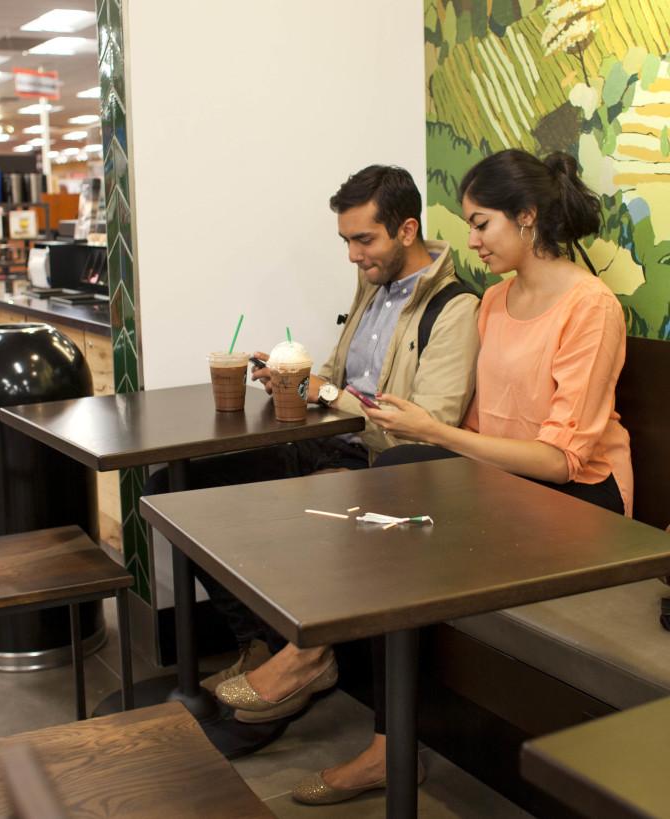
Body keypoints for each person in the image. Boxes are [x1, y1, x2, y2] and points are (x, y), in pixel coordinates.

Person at [218, 149, 633, 805]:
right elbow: (480, 423)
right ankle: (331, 678)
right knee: (389, 486)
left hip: (577, 499)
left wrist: (434, 433)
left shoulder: (591, 307)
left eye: (481, 224)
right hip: (503, 479)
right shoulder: (497, 301)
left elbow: (561, 458)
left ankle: (341, 689)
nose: (469, 241)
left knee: (399, 473)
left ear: (527, 219)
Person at [148, 165, 480, 700]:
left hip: (381, 463)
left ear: (407, 230)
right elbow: (338, 373)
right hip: (325, 444)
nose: (352, 254)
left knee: (280, 515)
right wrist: (290, 384)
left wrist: (322, 392)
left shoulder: (454, 308)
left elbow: (428, 430)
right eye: (346, 240)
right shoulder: (374, 284)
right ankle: (261, 642)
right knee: (171, 492)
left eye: (363, 239)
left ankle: (299, 666)